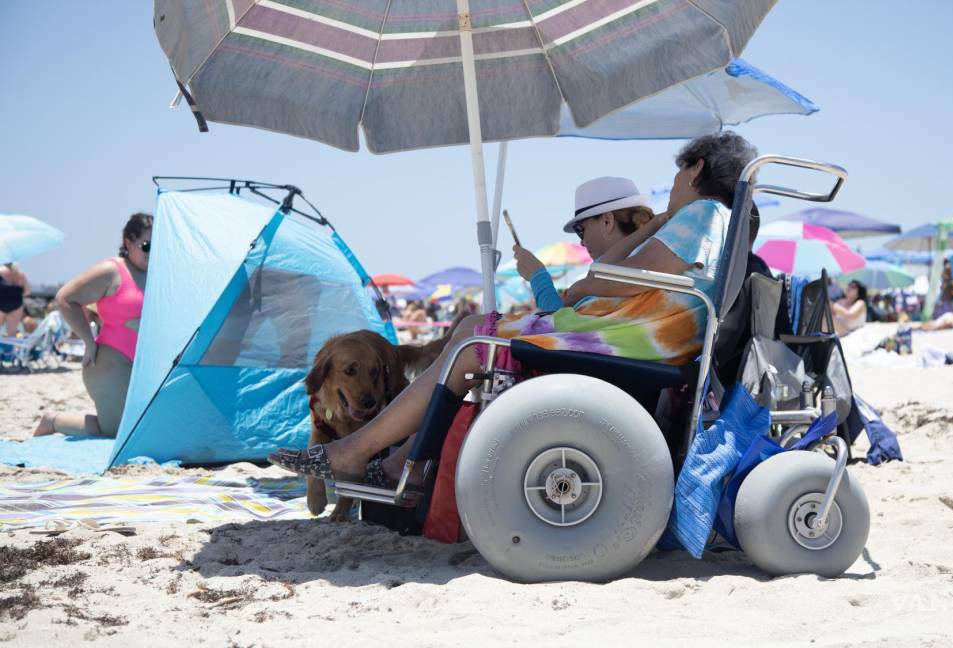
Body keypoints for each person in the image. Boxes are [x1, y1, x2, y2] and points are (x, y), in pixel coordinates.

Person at [269, 132, 758, 484]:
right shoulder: (707, 219)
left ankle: (370, 455)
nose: (670, 188)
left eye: (677, 176)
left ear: (695, 169)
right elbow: (618, 270)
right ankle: (392, 462)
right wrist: (656, 225)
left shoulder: (703, 213)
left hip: (629, 341)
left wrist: (581, 281)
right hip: (637, 337)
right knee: (470, 334)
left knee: (472, 342)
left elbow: (617, 280)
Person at [33, 213, 151, 437]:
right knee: (117, 431)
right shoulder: (111, 270)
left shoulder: (157, 274)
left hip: (141, 368)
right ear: (128, 243)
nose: (152, 253)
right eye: (147, 246)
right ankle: (53, 421)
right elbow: (65, 299)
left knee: (142, 428)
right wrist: (88, 341)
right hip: (109, 362)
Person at [511, 176, 654, 313]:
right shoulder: (655, 259)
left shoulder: (613, 273)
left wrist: (538, 277)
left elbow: (564, 325)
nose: (581, 242)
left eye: (580, 230)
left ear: (607, 221)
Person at [0, 262, 31, 337]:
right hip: (16, 305)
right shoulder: (21, 274)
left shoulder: (0, 271)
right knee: (11, 333)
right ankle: (8, 348)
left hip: (1, 303)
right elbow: (27, 291)